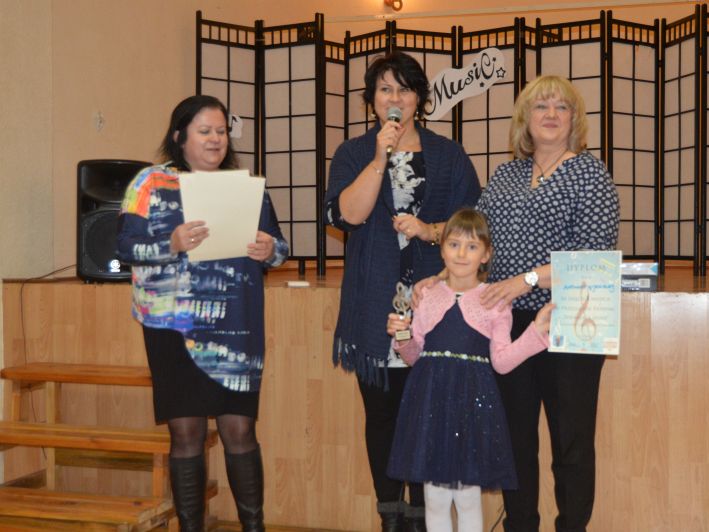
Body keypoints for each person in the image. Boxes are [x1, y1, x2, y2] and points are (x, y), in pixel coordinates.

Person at [324, 51, 481, 531]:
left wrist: (430, 231)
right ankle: (391, 516)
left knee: (427, 417)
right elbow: (346, 216)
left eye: (405, 89)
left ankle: (422, 516)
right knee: (382, 416)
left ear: (419, 98)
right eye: (385, 89)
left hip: (435, 303)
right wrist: (380, 158)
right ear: (372, 100)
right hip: (374, 304)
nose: (395, 98)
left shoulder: (448, 154)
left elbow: (473, 224)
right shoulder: (353, 153)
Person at [117, 95, 288, 532]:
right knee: (186, 434)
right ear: (180, 136)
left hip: (237, 326)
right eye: (205, 131)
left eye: (221, 131)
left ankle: (254, 527)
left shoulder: (245, 188)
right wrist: (170, 244)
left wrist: (270, 249)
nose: (216, 140)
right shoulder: (151, 183)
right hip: (174, 328)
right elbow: (124, 248)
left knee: (240, 430)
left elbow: (279, 248)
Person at [477, 76, 620, 532]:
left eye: (562, 106)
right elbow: (476, 240)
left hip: (570, 317)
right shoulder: (506, 175)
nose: (552, 114)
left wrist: (526, 280)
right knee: (516, 440)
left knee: (571, 442)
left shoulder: (591, 174)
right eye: (541, 106)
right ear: (525, 118)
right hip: (509, 322)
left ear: (575, 119)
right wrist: (439, 276)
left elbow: (594, 258)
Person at [385, 208, 554, 532]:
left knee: (467, 498)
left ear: (486, 254)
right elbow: (414, 356)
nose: (461, 254)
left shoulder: (495, 300)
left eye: (472, 246)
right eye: (454, 244)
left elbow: (502, 361)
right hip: (430, 403)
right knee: (434, 498)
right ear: (442, 248)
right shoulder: (426, 295)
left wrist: (536, 333)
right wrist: (401, 334)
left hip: (472, 408)